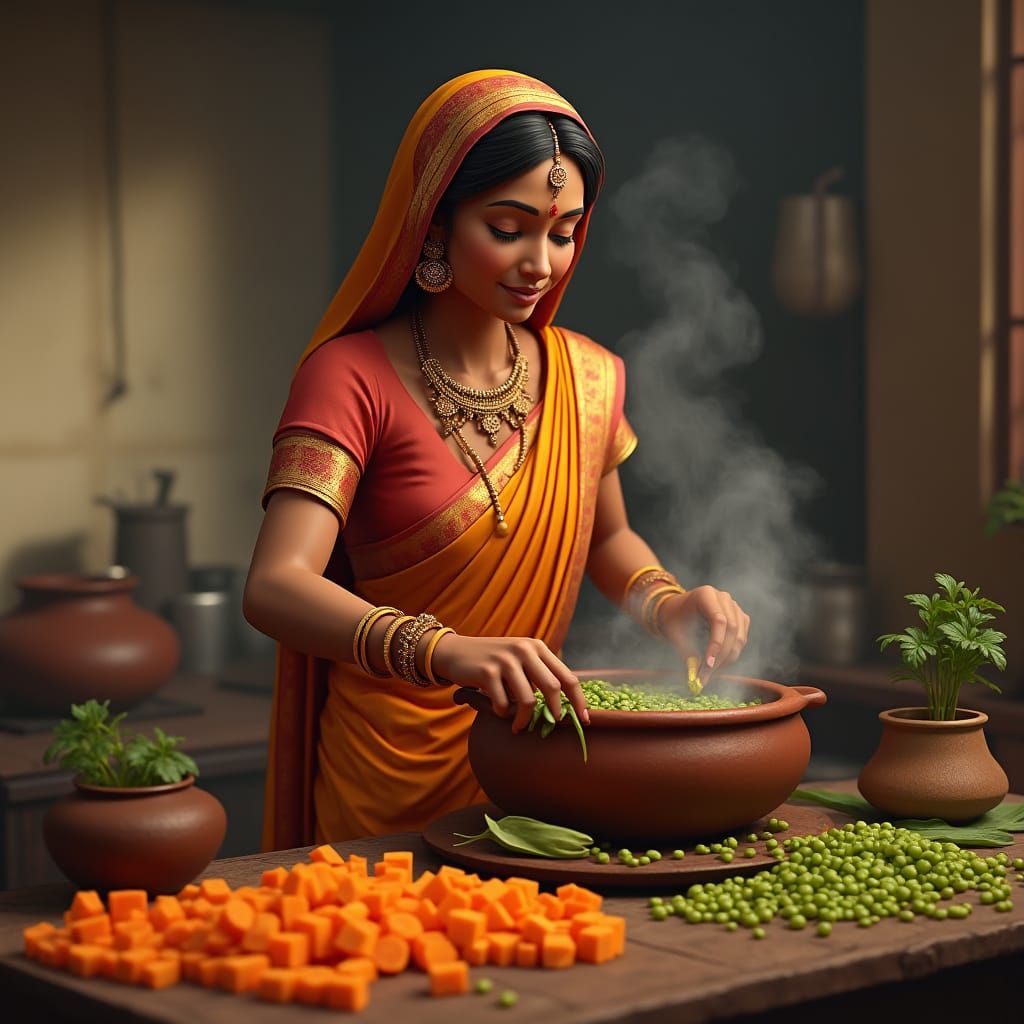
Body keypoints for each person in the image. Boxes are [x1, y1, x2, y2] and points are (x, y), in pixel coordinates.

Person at [244, 69, 750, 851]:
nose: (541, 262)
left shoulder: (586, 378)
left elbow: (609, 542)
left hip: (538, 764)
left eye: (563, 231)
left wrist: (669, 606)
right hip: (387, 772)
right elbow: (277, 587)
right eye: (508, 228)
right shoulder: (349, 377)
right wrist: (446, 652)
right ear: (434, 223)